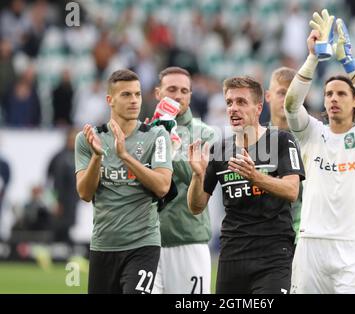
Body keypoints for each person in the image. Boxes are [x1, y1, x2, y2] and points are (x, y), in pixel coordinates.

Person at [285, 10, 355, 294]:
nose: (333, 99)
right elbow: (291, 106)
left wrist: (348, 61)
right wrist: (313, 57)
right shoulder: (312, 134)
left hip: (352, 247)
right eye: (328, 94)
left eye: (341, 94)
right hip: (310, 244)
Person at [187, 76, 305, 294]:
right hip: (233, 255)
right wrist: (197, 175)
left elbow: (292, 190)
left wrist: (255, 176)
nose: (233, 108)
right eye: (229, 102)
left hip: (274, 254)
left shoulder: (281, 140)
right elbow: (196, 207)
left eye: (241, 102)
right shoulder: (220, 150)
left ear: (258, 107)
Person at [74, 69, 173, 294]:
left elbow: (162, 186)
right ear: (110, 100)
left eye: (137, 94)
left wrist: (125, 156)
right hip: (104, 244)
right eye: (126, 95)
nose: (134, 101)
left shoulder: (156, 136)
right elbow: (85, 193)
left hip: (143, 244)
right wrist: (97, 157)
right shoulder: (88, 138)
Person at [151, 67, 215, 294]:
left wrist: (168, 142)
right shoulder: (145, 132)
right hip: (147, 243)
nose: (178, 95)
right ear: (158, 93)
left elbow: (201, 179)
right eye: (171, 89)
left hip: (188, 240)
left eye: (184, 91)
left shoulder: (205, 133)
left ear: (190, 95)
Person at [265, 67, 303, 246]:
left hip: (303, 236)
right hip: (266, 237)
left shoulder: (312, 139)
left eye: (292, 93)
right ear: (267, 96)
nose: (287, 99)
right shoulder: (256, 140)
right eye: (281, 93)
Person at [47, 128, 79, 244]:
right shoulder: (59, 157)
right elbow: (50, 181)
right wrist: (54, 200)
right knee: (58, 226)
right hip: (60, 200)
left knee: (68, 225)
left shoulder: (78, 156)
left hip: (72, 199)